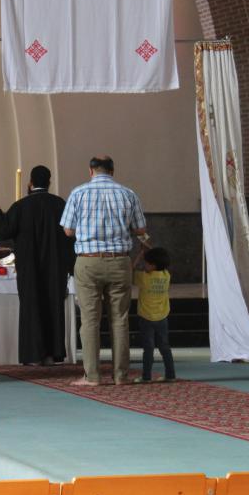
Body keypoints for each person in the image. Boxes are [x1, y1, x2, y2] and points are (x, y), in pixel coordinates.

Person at [60, 155, 149, 386]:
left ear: (90, 171)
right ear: (112, 171)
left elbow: (68, 231)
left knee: (90, 320)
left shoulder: (78, 194)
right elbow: (140, 229)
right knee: (120, 319)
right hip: (119, 262)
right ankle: (121, 375)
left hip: (88, 262)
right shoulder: (128, 194)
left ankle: (93, 376)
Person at [0, 165, 75, 365]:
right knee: (53, 306)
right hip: (55, 268)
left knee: (32, 307)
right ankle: (54, 354)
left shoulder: (21, 206)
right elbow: (70, 236)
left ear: (30, 183)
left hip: (30, 268)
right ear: (49, 182)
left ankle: (34, 356)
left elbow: (4, 231)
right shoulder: (60, 205)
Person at [132, 247, 175, 383]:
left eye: (146, 263)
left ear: (153, 265)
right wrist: (151, 253)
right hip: (162, 317)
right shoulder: (166, 276)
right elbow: (161, 261)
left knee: (148, 348)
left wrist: (139, 256)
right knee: (165, 347)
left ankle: (146, 377)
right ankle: (170, 375)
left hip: (146, 317)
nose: (144, 265)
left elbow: (130, 270)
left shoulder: (144, 277)